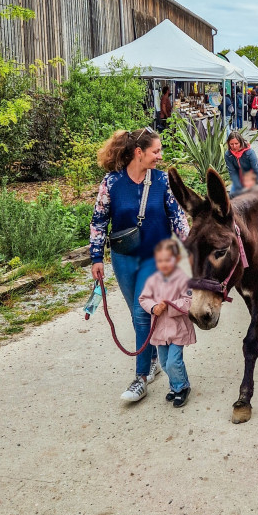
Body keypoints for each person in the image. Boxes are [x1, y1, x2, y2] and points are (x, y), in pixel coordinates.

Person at [90, 127, 190, 403]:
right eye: (155, 151)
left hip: (155, 258)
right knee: (139, 316)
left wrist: (189, 248)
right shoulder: (111, 183)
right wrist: (96, 257)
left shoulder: (162, 182)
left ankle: (141, 377)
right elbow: (99, 221)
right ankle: (154, 356)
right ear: (139, 153)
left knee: (140, 311)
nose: (160, 156)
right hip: (123, 258)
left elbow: (178, 218)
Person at [139, 239, 195, 408]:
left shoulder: (183, 280)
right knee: (164, 362)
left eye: (168, 260)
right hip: (159, 331)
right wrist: (154, 307)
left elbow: (189, 301)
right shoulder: (153, 280)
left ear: (176, 260)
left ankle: (182, 387)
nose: (164, 264)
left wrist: (170, 306)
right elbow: (143, 298)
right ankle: (175, 385)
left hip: (178, 330)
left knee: (173, 362)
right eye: (160, 260)